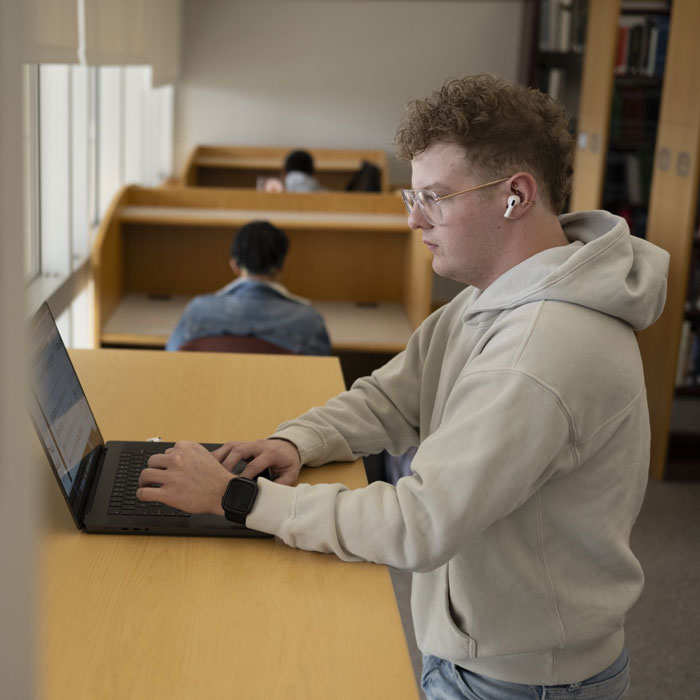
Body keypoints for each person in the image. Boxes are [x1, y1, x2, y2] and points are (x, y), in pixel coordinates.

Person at [139, 74, 669, 699]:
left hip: (520, 680)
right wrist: (298, 441)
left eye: (435, 197)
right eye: (410, 197)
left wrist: (238, 499)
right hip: (490, 647)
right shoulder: (493, 298)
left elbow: (418, 524)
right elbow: (393, 395)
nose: (415, 220)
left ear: (515, 196)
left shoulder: (537, 356)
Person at [165, 220, 331, 356]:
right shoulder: (308, 320)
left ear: (234, 265)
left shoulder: (197, 311)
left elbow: (172, 358)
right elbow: (323, 379)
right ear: (283, 265)